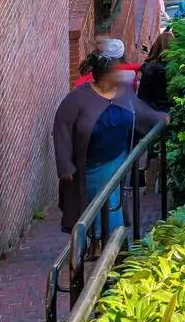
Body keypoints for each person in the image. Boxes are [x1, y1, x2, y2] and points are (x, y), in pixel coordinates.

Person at [53, 46, 164, 239]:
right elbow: (61, 129)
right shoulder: (77, 99)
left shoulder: (123, 94)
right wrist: (65, 166)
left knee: (113, 209)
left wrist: (162, 118)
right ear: (103, 75)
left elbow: (142, 113)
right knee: (94, 211)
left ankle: (110, 247)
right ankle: (101, 246)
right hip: (90, 169)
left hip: (118, 163)